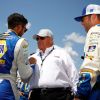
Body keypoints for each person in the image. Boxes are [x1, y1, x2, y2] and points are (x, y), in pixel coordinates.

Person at [28, 29, 79, 100]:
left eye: (42, 38)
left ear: (51, 39)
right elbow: (25, 78)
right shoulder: (32, 57)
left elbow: (73, 75)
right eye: (37, 39)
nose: (39, 40)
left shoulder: (62, 54)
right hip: (36, 95)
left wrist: (77, 96)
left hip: (59, 95)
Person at [0, 13, 35, 100]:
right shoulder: (21, 42)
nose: (24, 32)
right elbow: (25, 75)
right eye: (25, 29)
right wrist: (32, 65)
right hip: (6, 89)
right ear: (19, 27)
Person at [74, 4, 100, 100]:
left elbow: (91, 65)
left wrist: (80, 94)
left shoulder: (95, 30)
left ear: (93, 17)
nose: (82, 23)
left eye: (83, 19)